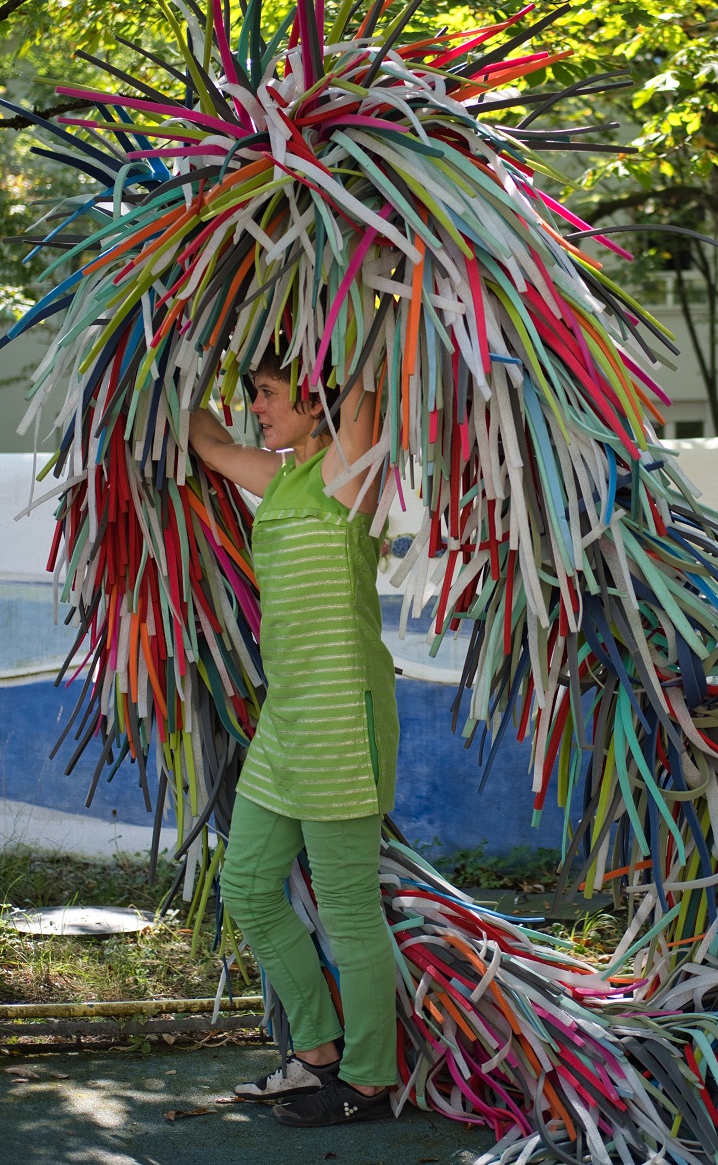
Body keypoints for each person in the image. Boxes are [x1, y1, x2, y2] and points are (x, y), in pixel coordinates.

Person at [188, 345, 399, 1128]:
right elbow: (204, 439)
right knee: (247, 885)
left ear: (319, 400)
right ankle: (317, 1054)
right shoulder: (279, 480)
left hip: (344, 718)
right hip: (287, 721)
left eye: (270, 394)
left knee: (347, 910)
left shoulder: (351, 471)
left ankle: (371, 1084)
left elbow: (366, 367)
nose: (257, 409)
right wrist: (169, 365)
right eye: (253, 396)